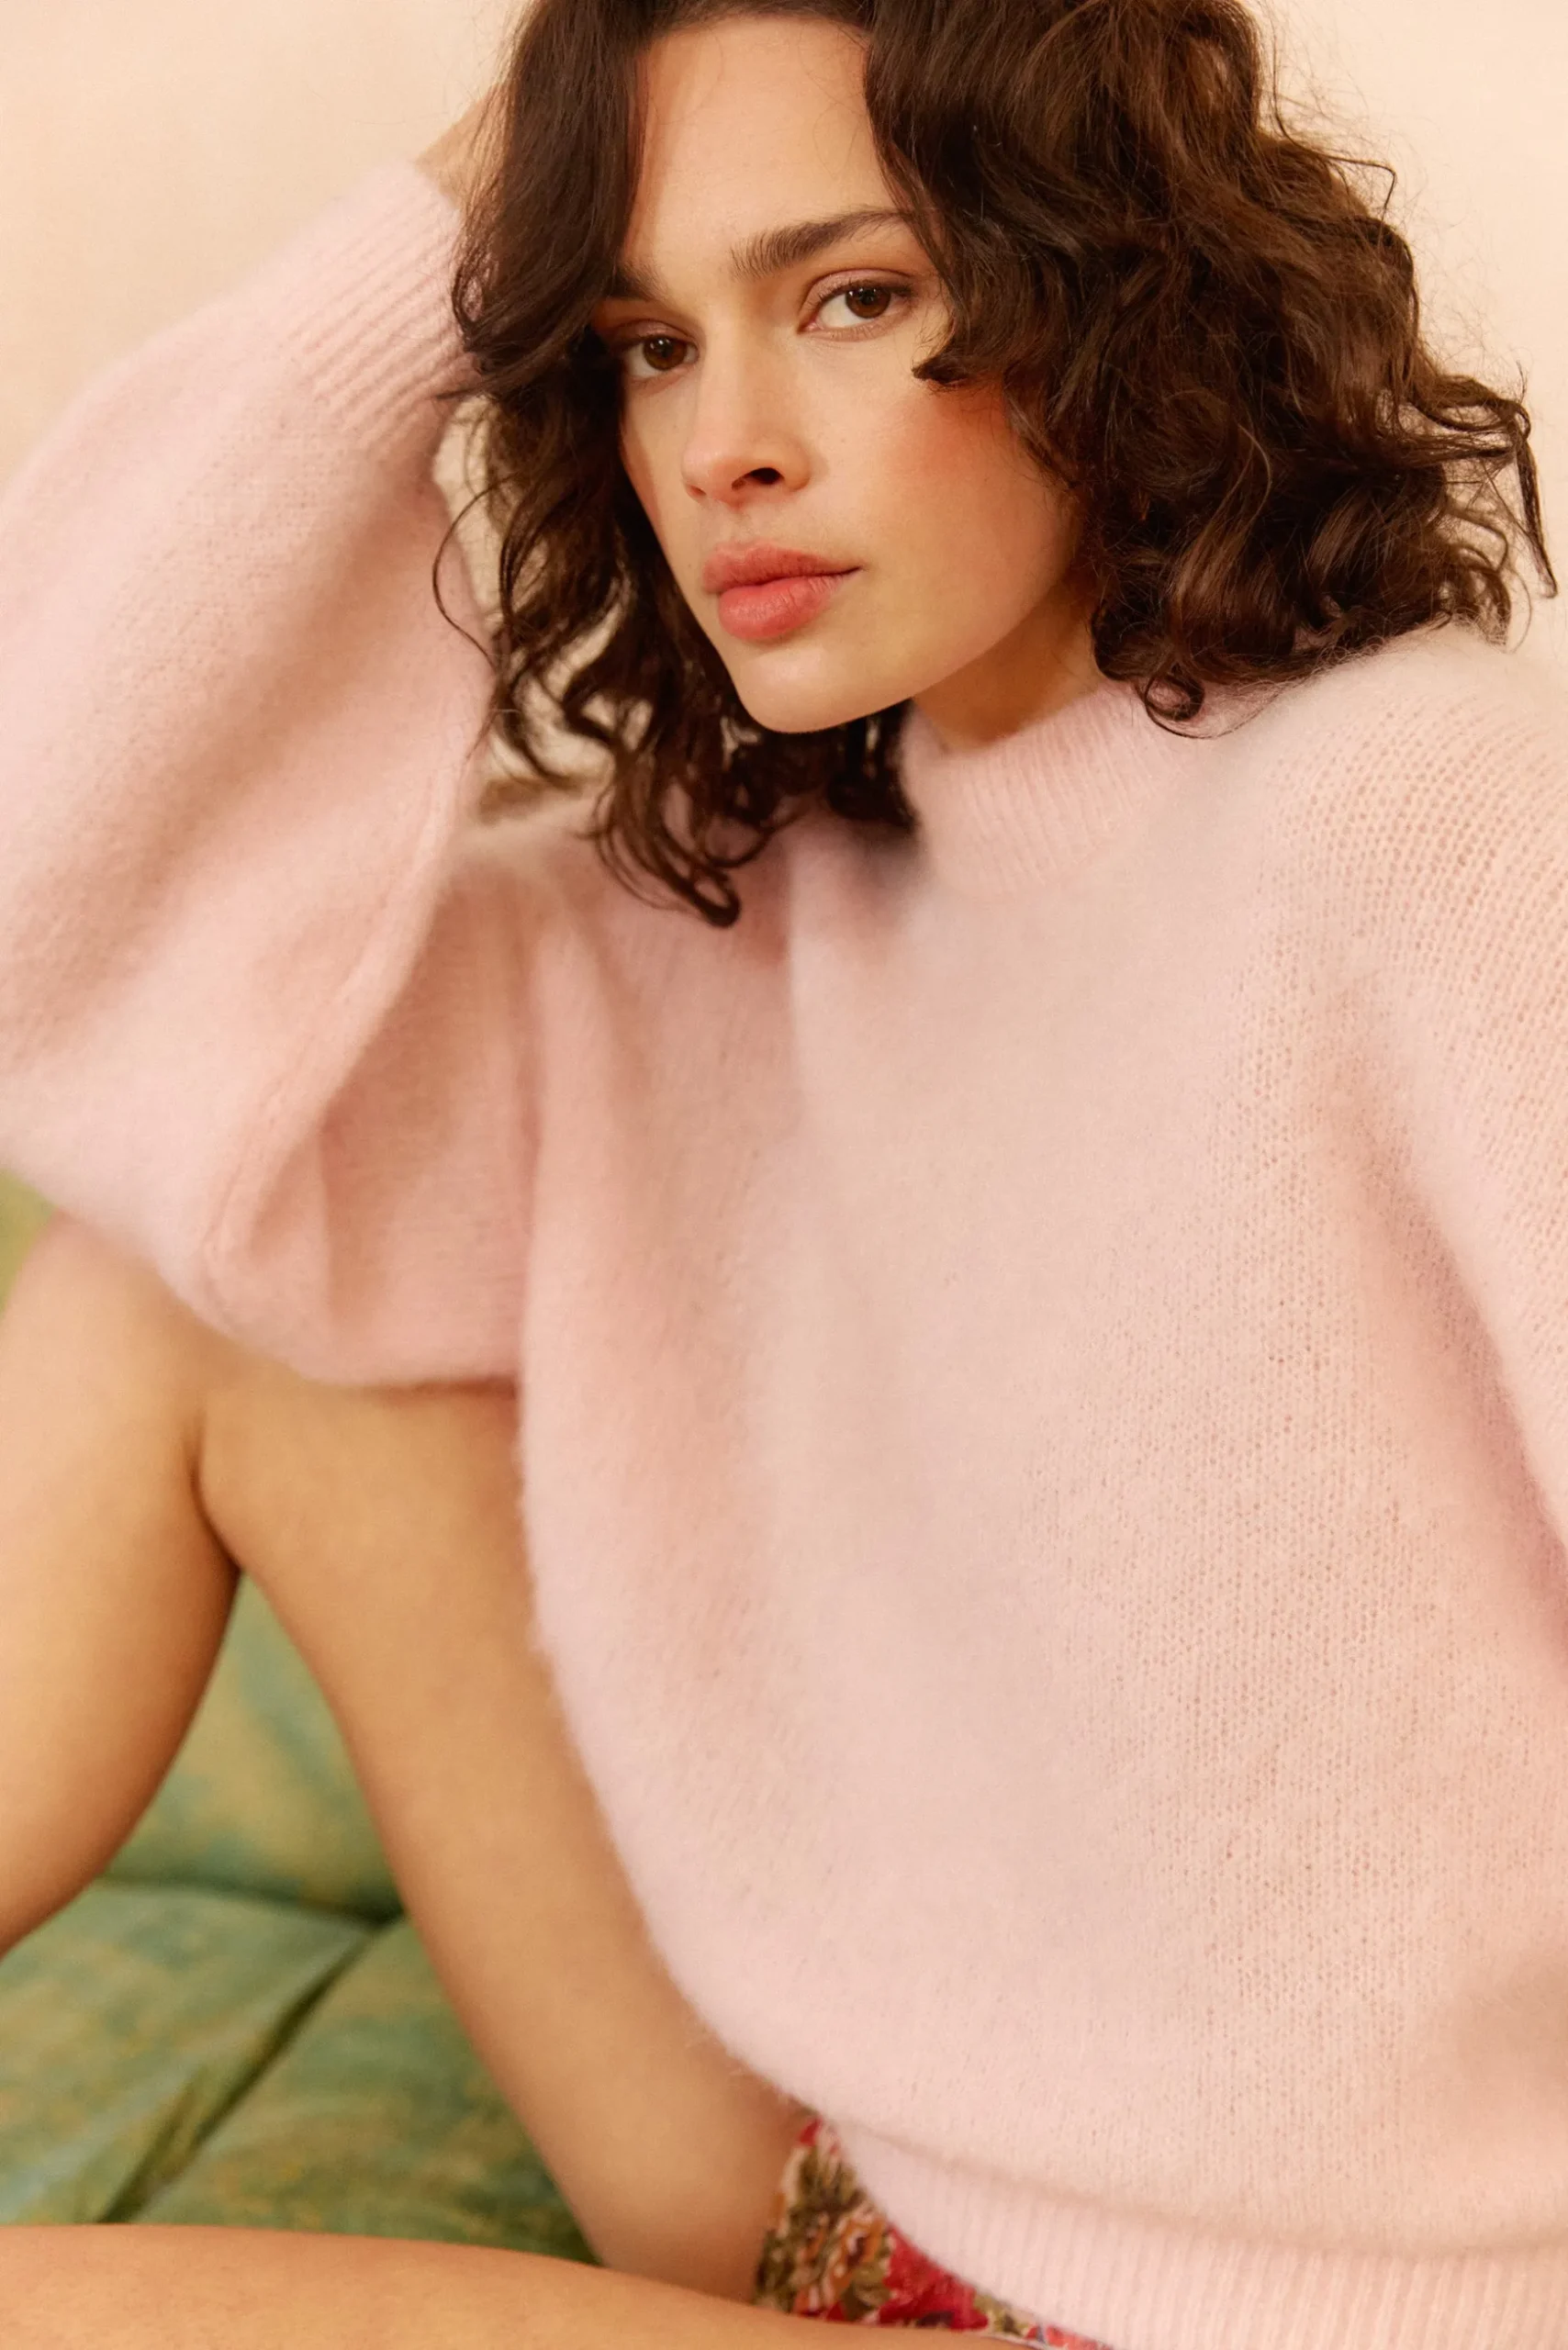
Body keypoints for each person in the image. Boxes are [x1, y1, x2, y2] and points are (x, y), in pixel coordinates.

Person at [0, 0, 1561, 2340]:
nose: (721, 442)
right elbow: (40, 903)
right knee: (164, 1298)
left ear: (1102, 280)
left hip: (1327, 2309)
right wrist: (473, 206)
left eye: (850, 296)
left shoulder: (1421, 819)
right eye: (644, 343)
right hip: (841, 2196)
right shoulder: (721, 916)